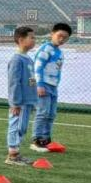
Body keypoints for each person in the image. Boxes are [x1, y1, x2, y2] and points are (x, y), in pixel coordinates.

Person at [31, 22, 71, 152]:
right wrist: (39, 84)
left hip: (53, 87)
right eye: (60, 36)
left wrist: (56, 85)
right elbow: (37, 67)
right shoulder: (45, 49)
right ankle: (37, 140)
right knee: (42, 112)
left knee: (51, 114)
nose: (62, 39)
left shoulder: (59, 52)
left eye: (65, 37)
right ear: (52, 34)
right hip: (43, 85)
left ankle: (46, 139)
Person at [5, 26, 37, 166]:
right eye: (32, 37)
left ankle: (16, 153)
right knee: (16, 126)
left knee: (22, 127)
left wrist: (34, 98)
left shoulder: (28, 59)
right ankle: (12, 155)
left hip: (28, 100)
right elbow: (14, 82)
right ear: (21, 40)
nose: (34, 40)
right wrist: (15, 102)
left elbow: (31, 80)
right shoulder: (17, 60)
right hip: (20, 101)